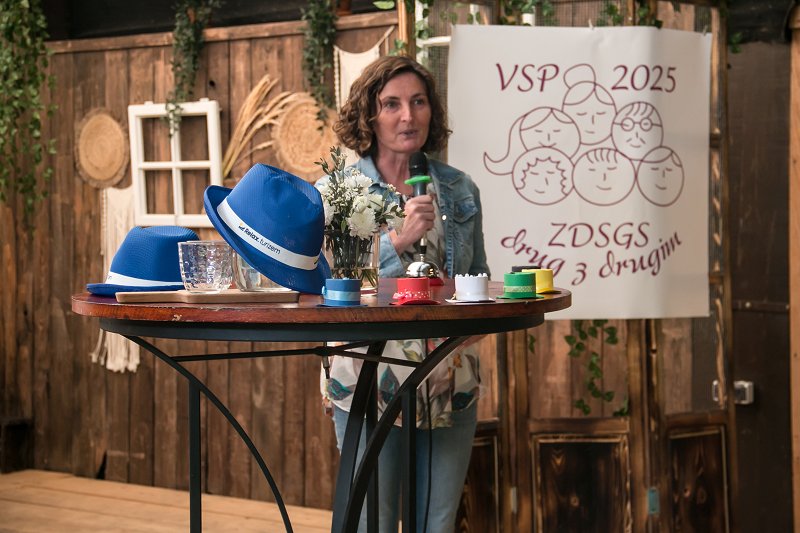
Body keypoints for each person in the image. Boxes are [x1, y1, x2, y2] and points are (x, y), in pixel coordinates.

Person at [320, 55, 490, 533]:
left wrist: (463, 333)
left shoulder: (459, 188)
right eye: (391, 104)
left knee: (436, 524)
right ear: (368, 115)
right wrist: (395, 243)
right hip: (366, 379)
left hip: (448, 379)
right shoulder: (338, 191)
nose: (407, 116)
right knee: (371, 521)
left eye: (418, 102)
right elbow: (330, 287)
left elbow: (478, 278)